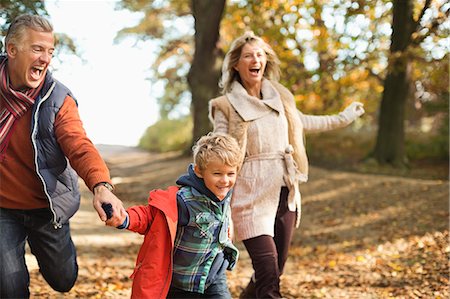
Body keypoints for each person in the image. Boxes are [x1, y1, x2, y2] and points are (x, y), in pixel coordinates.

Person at [208, 31, 365, 298]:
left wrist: (344, 117)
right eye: (247, 55)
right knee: (268, 273)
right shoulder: (225, 105)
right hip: (249, 196)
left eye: (259, 55)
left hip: (284, 192)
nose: (254, 59)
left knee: (272, 271)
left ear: (266, 61)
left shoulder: (280, 98)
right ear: (236, 64)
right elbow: (218, 147)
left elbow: (306, 122)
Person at [0, 14, 126, 298]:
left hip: (46, 207)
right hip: (3, 207)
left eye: (50, 51)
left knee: (63, 279)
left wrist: (101, 186)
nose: (45, 58)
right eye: (37, 49)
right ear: (11, 50)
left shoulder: (57, 99)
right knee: (8, 287)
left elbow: (78, 145)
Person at [106, 132, 241, 299]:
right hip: (179, 283)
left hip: (213, 280)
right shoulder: (183, 201)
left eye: (230, 174)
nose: (225, 180)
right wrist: (125, 218)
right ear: (199, 171)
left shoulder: (225, 194)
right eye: (217, 174)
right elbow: (150, 215)